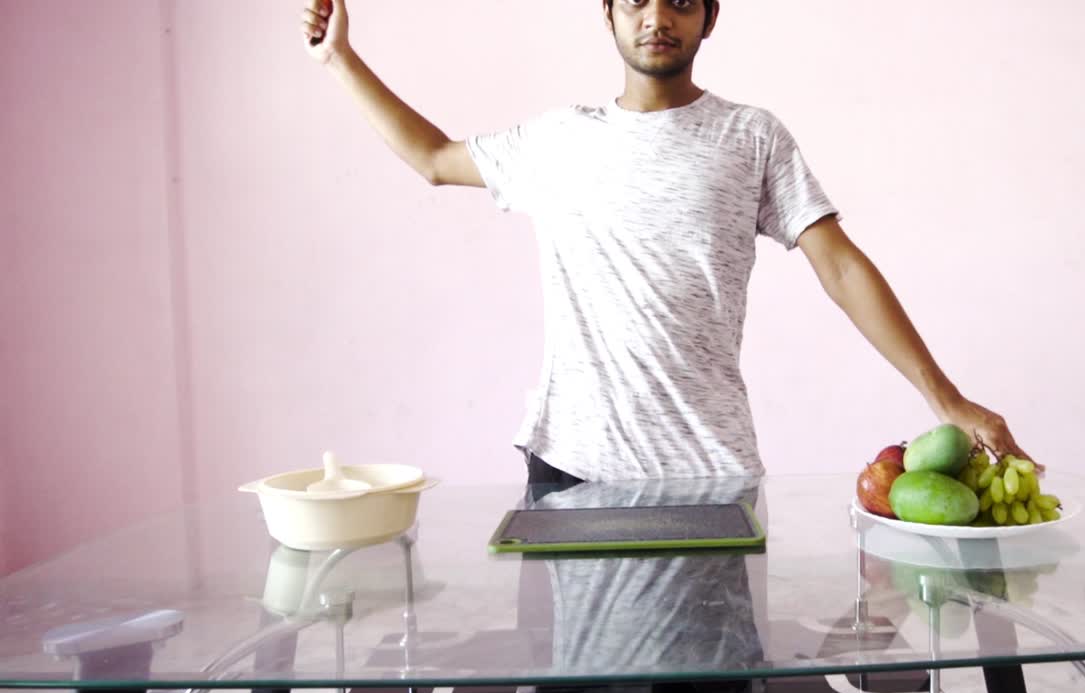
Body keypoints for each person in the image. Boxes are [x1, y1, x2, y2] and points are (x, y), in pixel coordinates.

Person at [298, 0, 1038, 488]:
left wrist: (947, 398)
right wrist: (339, 60)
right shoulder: (557, 141)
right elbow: (432, 158)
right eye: (637, 1)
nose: (658, 16)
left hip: (710, 472)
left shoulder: (751, 136)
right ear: (610, 15)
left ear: (710, 18)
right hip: (571, 470)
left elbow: (839, 266)